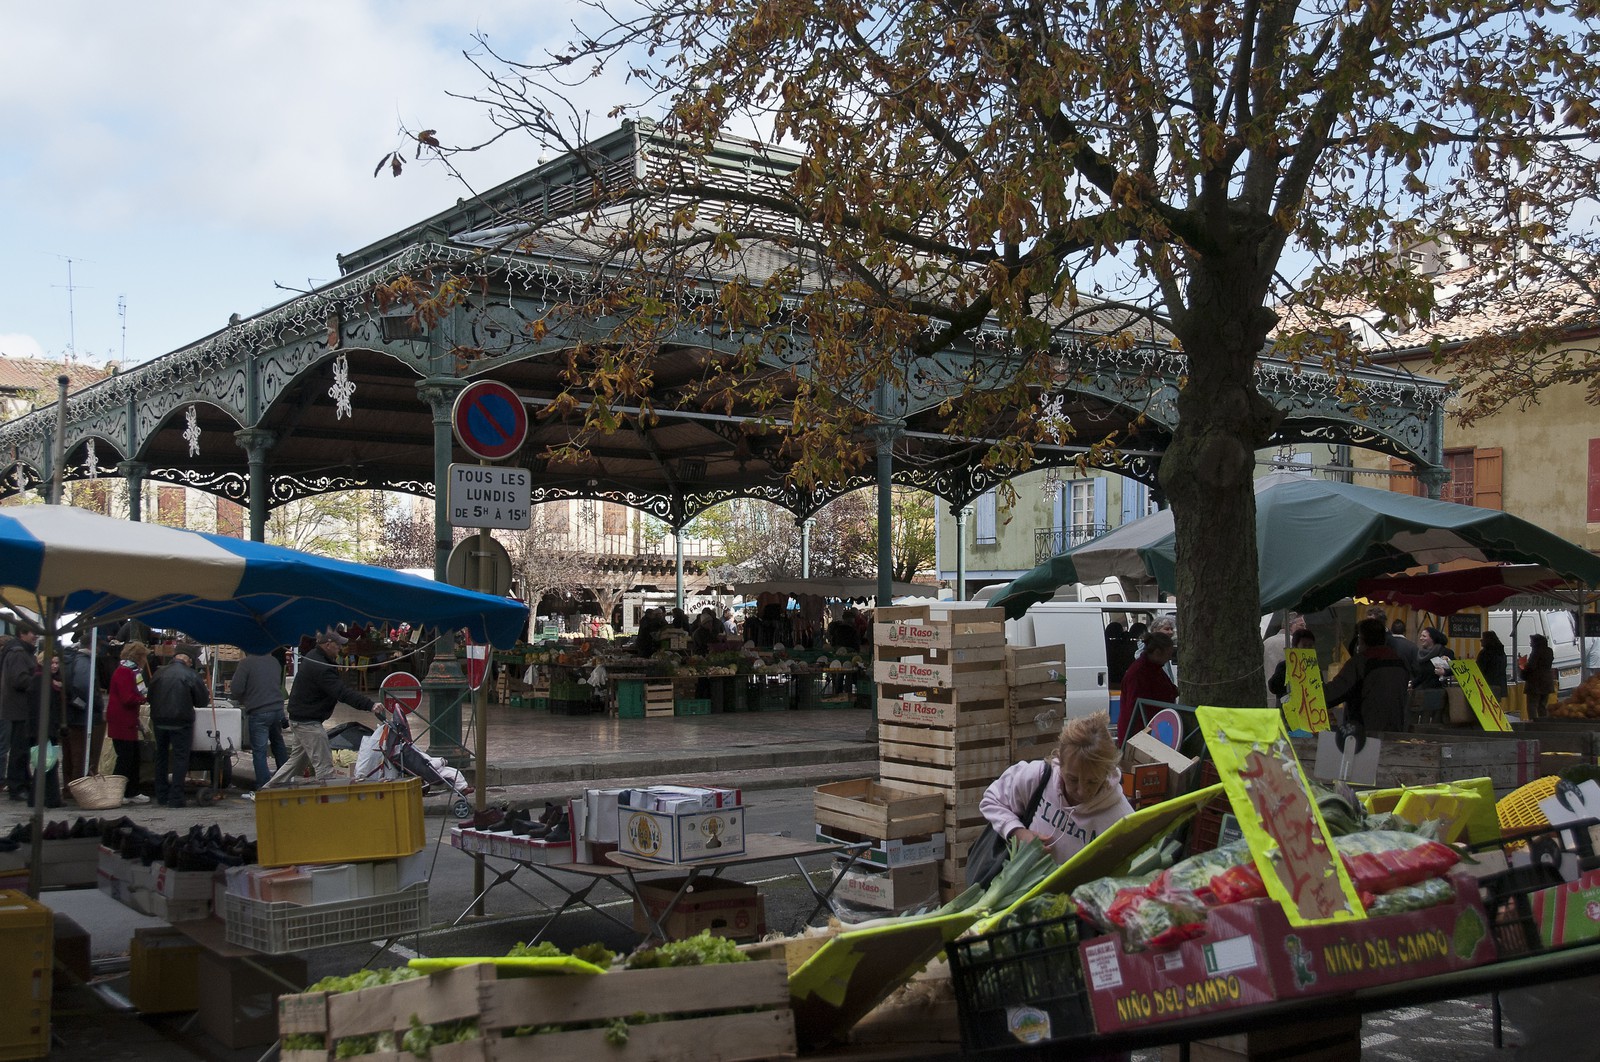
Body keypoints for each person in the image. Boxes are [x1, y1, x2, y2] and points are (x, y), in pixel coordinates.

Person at [979, 711, 1134, 864]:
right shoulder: (1038, 777)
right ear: (1060, 762)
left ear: (1107, 772)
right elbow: (992, 800)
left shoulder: (1122, 818)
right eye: (1072, 779)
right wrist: (1017, 833)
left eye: (1092, 782)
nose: (1081, 790)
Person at [263, 629, 381, 789]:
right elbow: (341, 692)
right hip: (308, 723)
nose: (340, 647)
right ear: (328, 644)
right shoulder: (320, 666)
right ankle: (331, 804)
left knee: (296, 763)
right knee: (325, 770)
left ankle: (267, 791)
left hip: (302, 718)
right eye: (338, 644)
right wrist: (370, 705)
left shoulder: (317, 657)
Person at [147, 644, 210, 808]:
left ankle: (161, 795)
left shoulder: (159, 672)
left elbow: (149, 697)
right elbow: (202, 701)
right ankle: (176, 797)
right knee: (180, 758)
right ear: (188, 660)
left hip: (159, 720)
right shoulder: (191, 674)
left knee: (161, 757)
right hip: (181, 722)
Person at [2, 627, 59, 806]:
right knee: (19, 750)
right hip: (20, 709)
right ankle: (17, 787)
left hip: (20, 708)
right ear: (22, 634)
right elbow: (18, 679)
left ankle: (23, 784)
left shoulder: (21, 652)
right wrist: (42, 681)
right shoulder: (18, 653)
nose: (35, 636)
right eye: (32, 633)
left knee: (23, 750)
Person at [1324, 618, 1411, 734]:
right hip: (1395, 730)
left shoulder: (1360, 663)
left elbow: (1334, 693)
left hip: (1366, 734)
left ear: (1361, 639)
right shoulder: (1399, 662)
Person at [230, 650, 290, 789]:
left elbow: (236, 689)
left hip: (259, 711)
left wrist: (245, 698)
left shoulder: (246, 663)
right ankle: (286, 779)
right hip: (277, 710)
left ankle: (263, 785)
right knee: (278, 744)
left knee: (259, 751)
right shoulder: (274, 662)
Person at [106, 641, 151, 804]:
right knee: (125, 758)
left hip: (127, 721)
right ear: (139, 657)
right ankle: (119, 792)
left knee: (132, 757)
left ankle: (132, 791)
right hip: (122, 721)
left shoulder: (127, 671)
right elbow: (127, 698)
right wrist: (143, 699)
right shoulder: (125, 672)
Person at [1116, 631, 1178, 745]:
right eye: (1168, 654)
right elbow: (1136, 708)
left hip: (1153, 728)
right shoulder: (1139, 673)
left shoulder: (1155, 668)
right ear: (1158, 652)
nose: (1169, 658)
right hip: (1139, 732)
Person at [59, 640, 107, 785]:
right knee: (80, 754)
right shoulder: (84, 662)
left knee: (69, 753)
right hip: (81, 715)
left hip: (69, 713)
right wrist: (95, 704)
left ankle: (69, 787)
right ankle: (78, 787)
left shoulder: (71, 659)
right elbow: (82, 685)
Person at [1267, 628, 1316, 707]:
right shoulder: (1284, 666)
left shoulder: (1314, 668)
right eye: (1304, 646)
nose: (1307, 649)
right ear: (1295, 647)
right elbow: (1273, 687)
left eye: (1310, 646)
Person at [1522, 633, 1556, 719]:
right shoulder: (1549, 651)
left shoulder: (1536, 652)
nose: (1530, 644)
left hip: (1535, 682)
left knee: (1532, 705)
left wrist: (1524, 665)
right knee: (1542, 705)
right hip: (1547, 681)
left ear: (1536, 643)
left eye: (1531, 642)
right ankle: (1543, 724)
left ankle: (1533, 724)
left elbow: (1532, 666)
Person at [1411, 626, 1455, 690]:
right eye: (1421, 636)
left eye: (1424, 636)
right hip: (1421, 691)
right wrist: (1412, 684)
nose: (1421, 638)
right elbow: (1421, 676)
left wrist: (1444, 672)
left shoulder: (1445, 652)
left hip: (1438, 691)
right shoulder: (1420, 654)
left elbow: (1456, 669)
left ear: (1432, 638)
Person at [1476, 630, 1509, 700]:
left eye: (1483, 638)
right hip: (1499, 685)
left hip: (1487, 684)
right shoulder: (1501, 652)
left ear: (1487, 640)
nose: (1481, 640)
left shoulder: (1485, 653)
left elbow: (1479, 669)